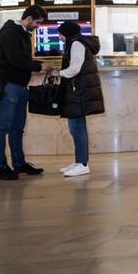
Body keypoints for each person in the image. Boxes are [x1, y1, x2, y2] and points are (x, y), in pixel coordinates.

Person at [0, 5, 52, 180]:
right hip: (9, 85)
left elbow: (21, 58)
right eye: (37, 23)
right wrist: (39, 66)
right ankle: (1, 166)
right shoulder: (10, 32)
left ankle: (19, 164)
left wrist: (38, 63)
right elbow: (15, 59)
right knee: (2, 127)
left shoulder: (22, 33)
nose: (37, 27)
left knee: (17, 128)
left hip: (20, 86)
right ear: (29, 18)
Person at [51, 21, 104, 177]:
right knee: (76, 128)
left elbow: (75, 69)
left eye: (60, 33)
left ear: (66, 33)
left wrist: (58, 73)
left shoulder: (76, 44)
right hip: (78, 90)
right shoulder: (76, 43)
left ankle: (82, 164)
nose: (59, 37)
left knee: (77, 129)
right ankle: (79, 161)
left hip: (78, 91)